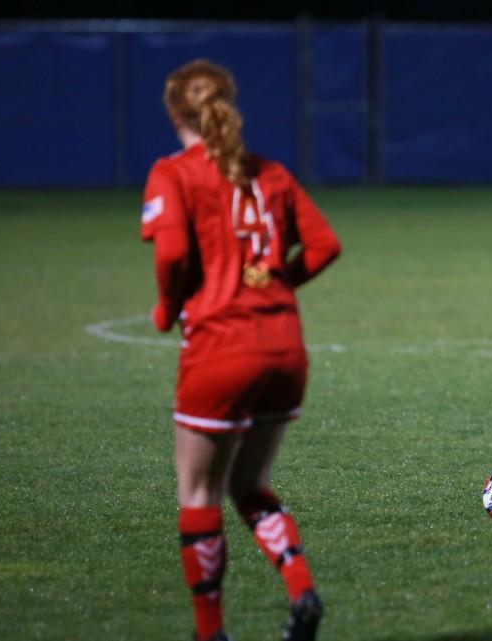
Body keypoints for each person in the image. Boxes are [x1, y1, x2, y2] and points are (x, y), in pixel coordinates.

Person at [141, 59, 341, 641]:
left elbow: (174, 253)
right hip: (284, 349)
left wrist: (165, 306)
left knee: (199, 492)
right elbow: (324, 245)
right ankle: (301, 591)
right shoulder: (269, 174)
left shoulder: (173, 173)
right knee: (248, 486)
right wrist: (275, 288)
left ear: (174, 113)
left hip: (221, 348)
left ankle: (210, 632)